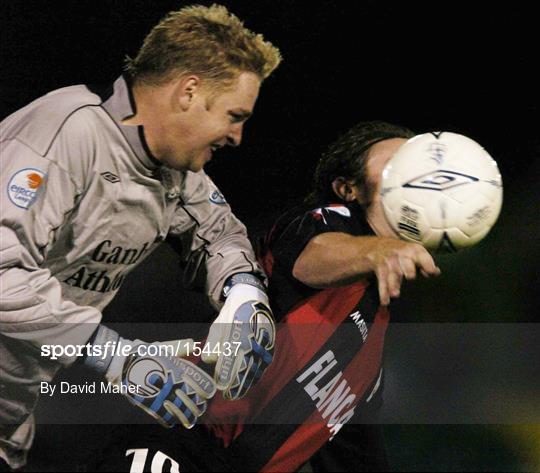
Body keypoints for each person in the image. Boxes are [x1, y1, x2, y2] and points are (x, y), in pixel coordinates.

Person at [0, 4, 281, 470]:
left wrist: (244, 295)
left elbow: (219, 234)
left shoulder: (172, 170)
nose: (238, 136)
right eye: (235, 115)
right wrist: (114, 355)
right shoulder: (67, 131)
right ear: (190, 91)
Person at [89, 121, 442, 472]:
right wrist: (379, 251)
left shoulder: (368, 356)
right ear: (348, 188)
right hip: (179, 439)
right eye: (397, 161)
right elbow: (310, 260)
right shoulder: (313, 225)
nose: (414, 170)